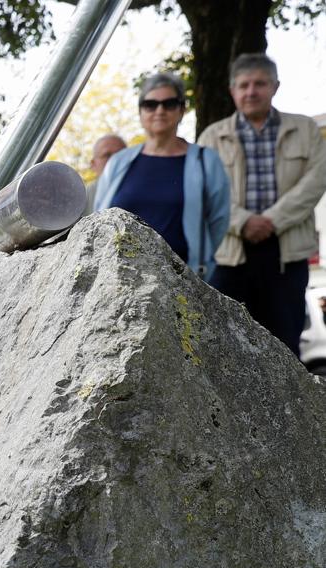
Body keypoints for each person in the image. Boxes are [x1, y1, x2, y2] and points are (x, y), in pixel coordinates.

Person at [198, 53, 326, 357]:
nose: (251, 92)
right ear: (232, 91)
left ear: (275, 86)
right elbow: (203, 191)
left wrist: (271, 220)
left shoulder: (306, 130)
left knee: (284, 348)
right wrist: (243, 221)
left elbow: (317, 179)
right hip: (230, 255)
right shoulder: (211, 138)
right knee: (222, 347)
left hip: (286, 255)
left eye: (259, 84)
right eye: (243, 85)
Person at [94, 73, 230, 278]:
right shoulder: (119, 162)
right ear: (140, 112)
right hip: (117, 276)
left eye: (169, 104)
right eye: (150, 104)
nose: (160, 110)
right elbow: (100, 216)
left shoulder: (206, 161)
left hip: (185, 280)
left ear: (182, 110)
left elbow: (218, 221)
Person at [84, 133, 126, 212]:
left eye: (121, 154)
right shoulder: (82, 198)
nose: (115, 160)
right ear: (93, 164)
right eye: (107, 155)